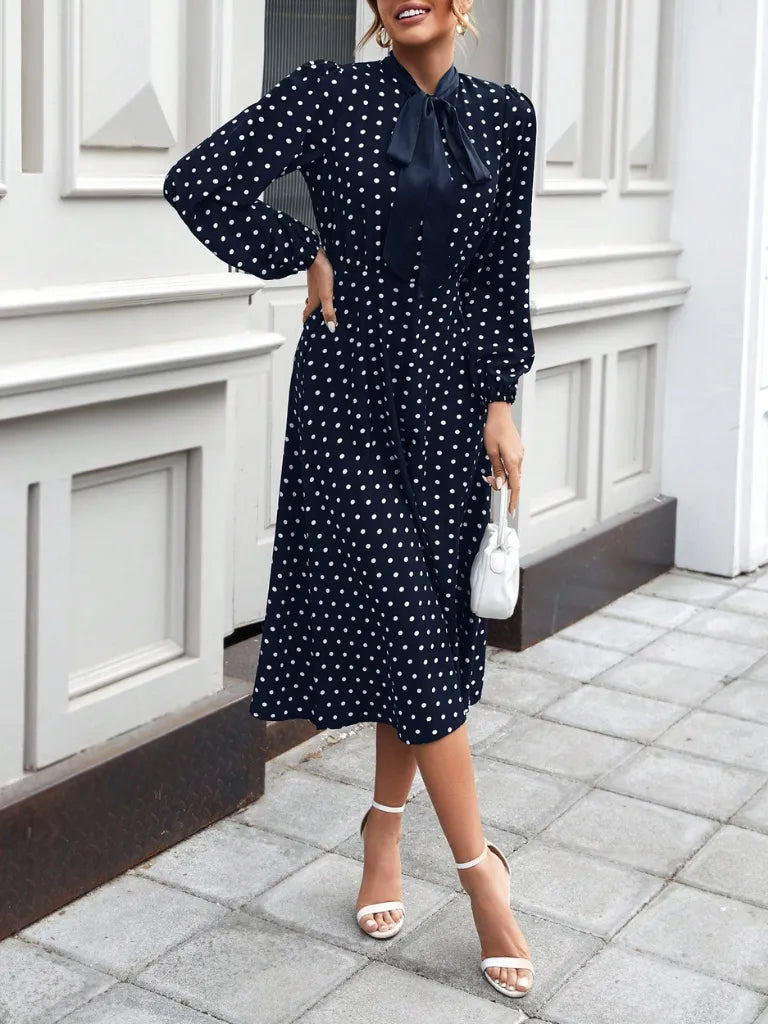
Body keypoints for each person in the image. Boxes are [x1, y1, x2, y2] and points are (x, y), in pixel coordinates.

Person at [163, 0, 536, 999]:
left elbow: (504, 277)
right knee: (413, 629)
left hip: (451, 395)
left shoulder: (508, 117)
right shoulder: (326, 96)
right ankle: (480, 874)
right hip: (345, 392)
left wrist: (501, 401)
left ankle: (382, 830)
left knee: (411, 621)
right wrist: (302, 250)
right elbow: (196, 182)